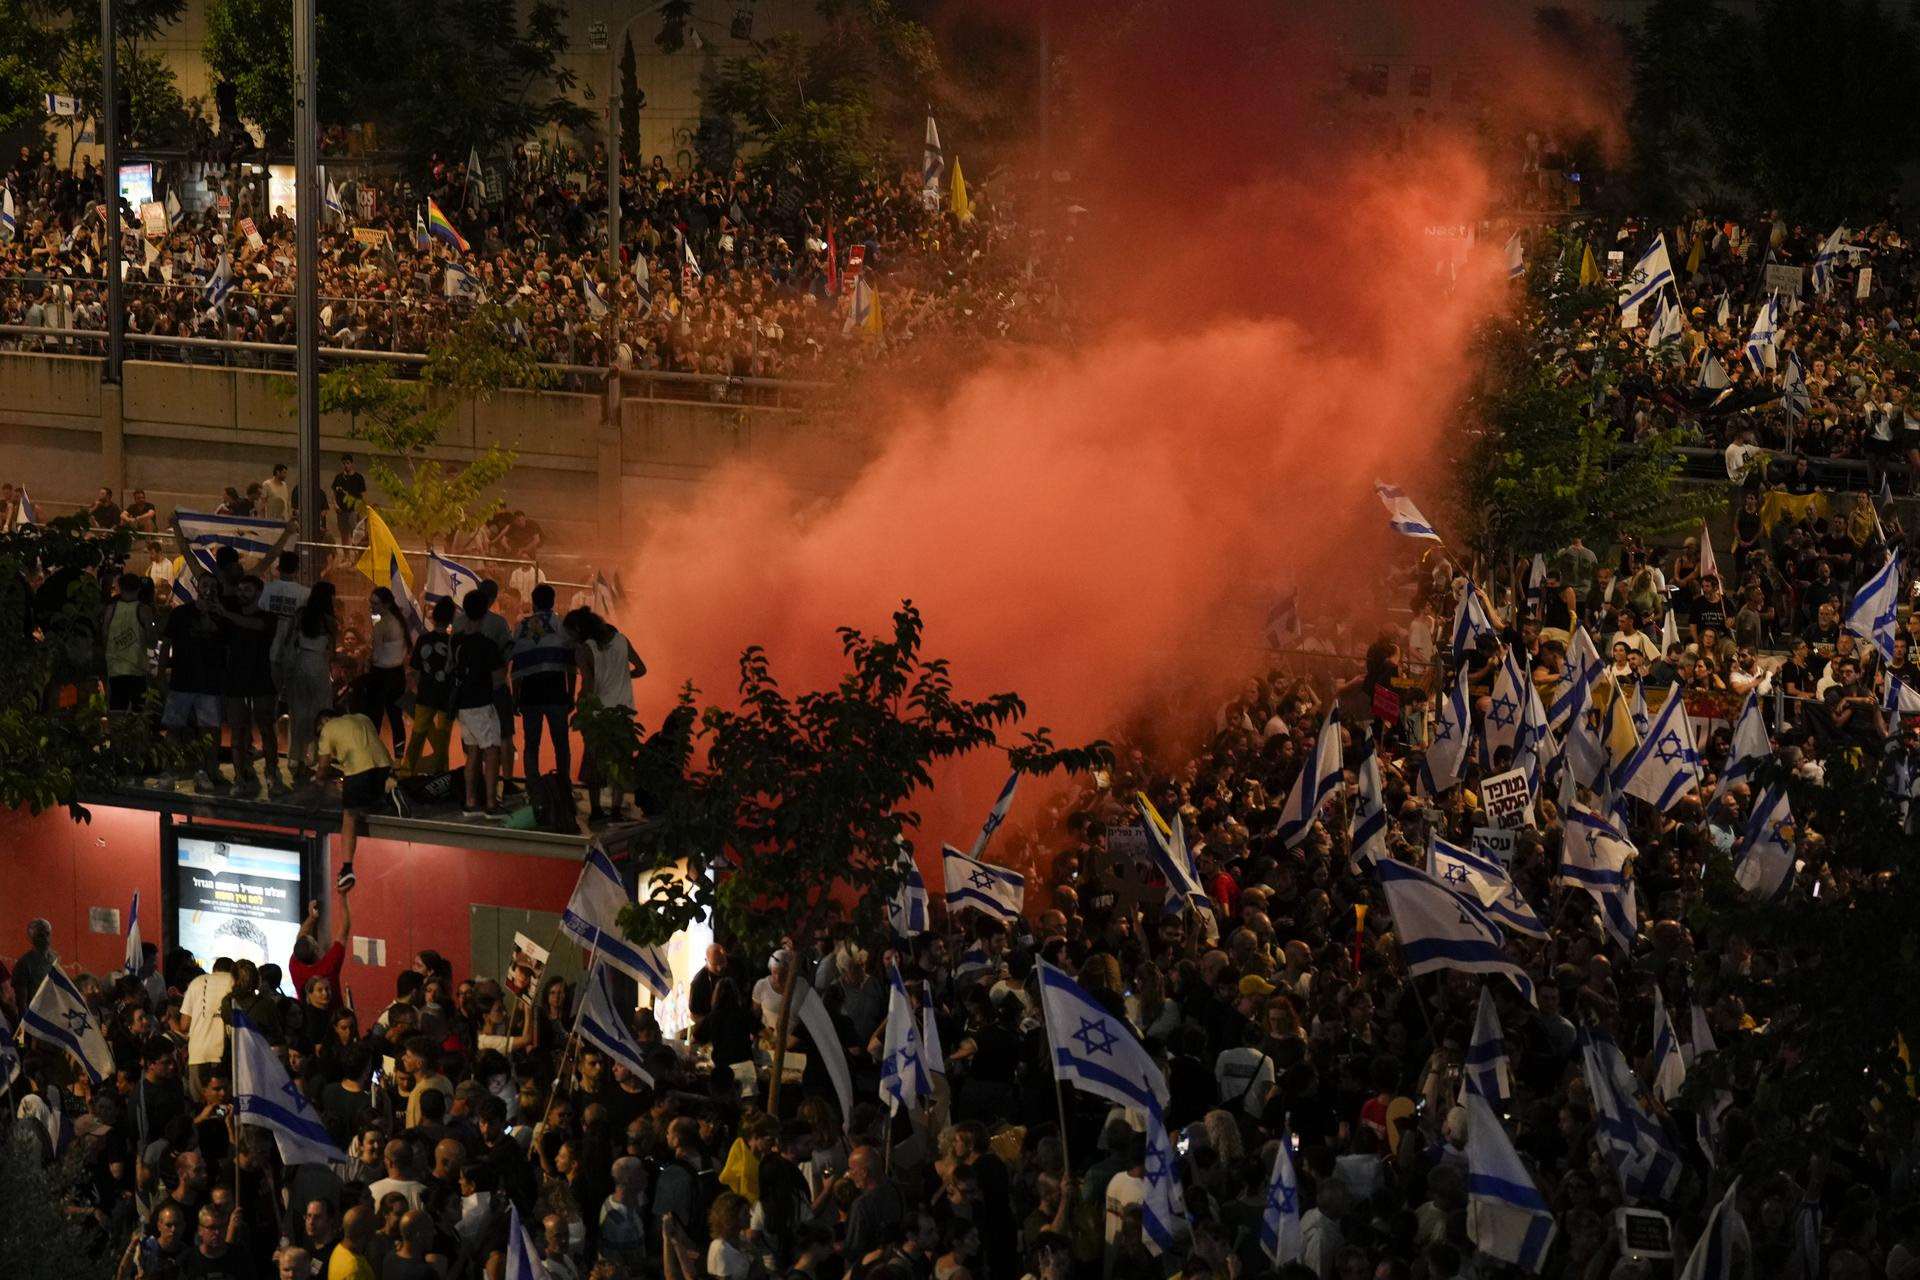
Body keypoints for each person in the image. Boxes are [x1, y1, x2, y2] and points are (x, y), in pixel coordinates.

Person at [203, 574, 285, 798]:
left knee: (267, 729)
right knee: (237, 732)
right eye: (239, 589)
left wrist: (225, 614)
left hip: (261, 679)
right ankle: (239, 777)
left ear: (258, 593)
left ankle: (271, 773)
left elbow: (254, 625)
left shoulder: (268, 618)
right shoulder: (228, 619)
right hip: (236, 681)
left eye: (247, 589)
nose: (241, 593)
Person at [564, 606, 645, 821]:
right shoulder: (622, 640)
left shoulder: (584, 650)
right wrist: (624, 676)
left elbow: (588, 685)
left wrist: (580, 706)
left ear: (579, 630)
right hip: (624, 713)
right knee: (620, 763)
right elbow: (642, 669)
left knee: (594, 764)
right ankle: (617, 811)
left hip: (599, 716)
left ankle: (596, 810)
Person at [314, 705, 395, 891]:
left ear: (323, 722)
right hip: (383, 766)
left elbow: (324, 767)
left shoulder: (328, 728)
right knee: (365, 799)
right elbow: (367, 746)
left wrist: (318, 788)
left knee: (349, 816)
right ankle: (389, 794)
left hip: (359, 770)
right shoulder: (362, 716)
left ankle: (347, 868)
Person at [509, 583, 576, 786]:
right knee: (561, 743)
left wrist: (515, 696)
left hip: (530, 695)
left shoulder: (522, 628)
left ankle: (533, 786)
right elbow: (570, 664)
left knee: (531, 744)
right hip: (556, 693)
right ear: (553, 601)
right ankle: (564, 783)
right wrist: (570, 694)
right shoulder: (562, 626)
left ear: (534, 602)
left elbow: (517, 665)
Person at [452, 590, 507, 818]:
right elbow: (498, 679)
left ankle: (470, 801)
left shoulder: (456, 641)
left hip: (462, 704)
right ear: (485, 613)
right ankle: (492, 804)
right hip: (482, 704)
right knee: (492, 751)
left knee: (472, 751)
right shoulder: (488, 645)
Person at [286, 582, 339, 782]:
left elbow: (289, 640)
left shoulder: (300, 614)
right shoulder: (329, 620)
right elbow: (332, 651)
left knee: (299, 714)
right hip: (318, 665)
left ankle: (297, 760)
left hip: (300, 662)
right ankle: (319, 759)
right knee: (321, 714)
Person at [399, 598, 456, 776]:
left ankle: (407, 773)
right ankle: (441, 774)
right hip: (446, 697)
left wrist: (418, 687)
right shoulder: (452, 642)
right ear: (450, 619)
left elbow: (414, 669)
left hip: (425, 694)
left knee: (417, 736)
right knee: (443, 737)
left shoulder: (424, 639)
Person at [363, 587, 410, 755]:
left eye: (375, 604)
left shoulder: (381, 626)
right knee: (396, 717)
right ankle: (398, 757)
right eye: (371, 603)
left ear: (387, 604)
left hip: (380, 675)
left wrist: (368, 657)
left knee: (374, 717)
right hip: (397, 675)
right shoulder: (401, 622)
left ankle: (372, 755)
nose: (372, 607)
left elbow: (376, 656)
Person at [102, 572, 155, 716]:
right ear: (139, 589)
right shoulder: (144, 610)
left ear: (120, 587)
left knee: (116, 712)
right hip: (137, 669)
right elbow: (152, 640)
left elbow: (105, 635)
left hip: (115, 669)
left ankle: (118, 738)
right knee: (139, 714)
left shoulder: (110, 609)